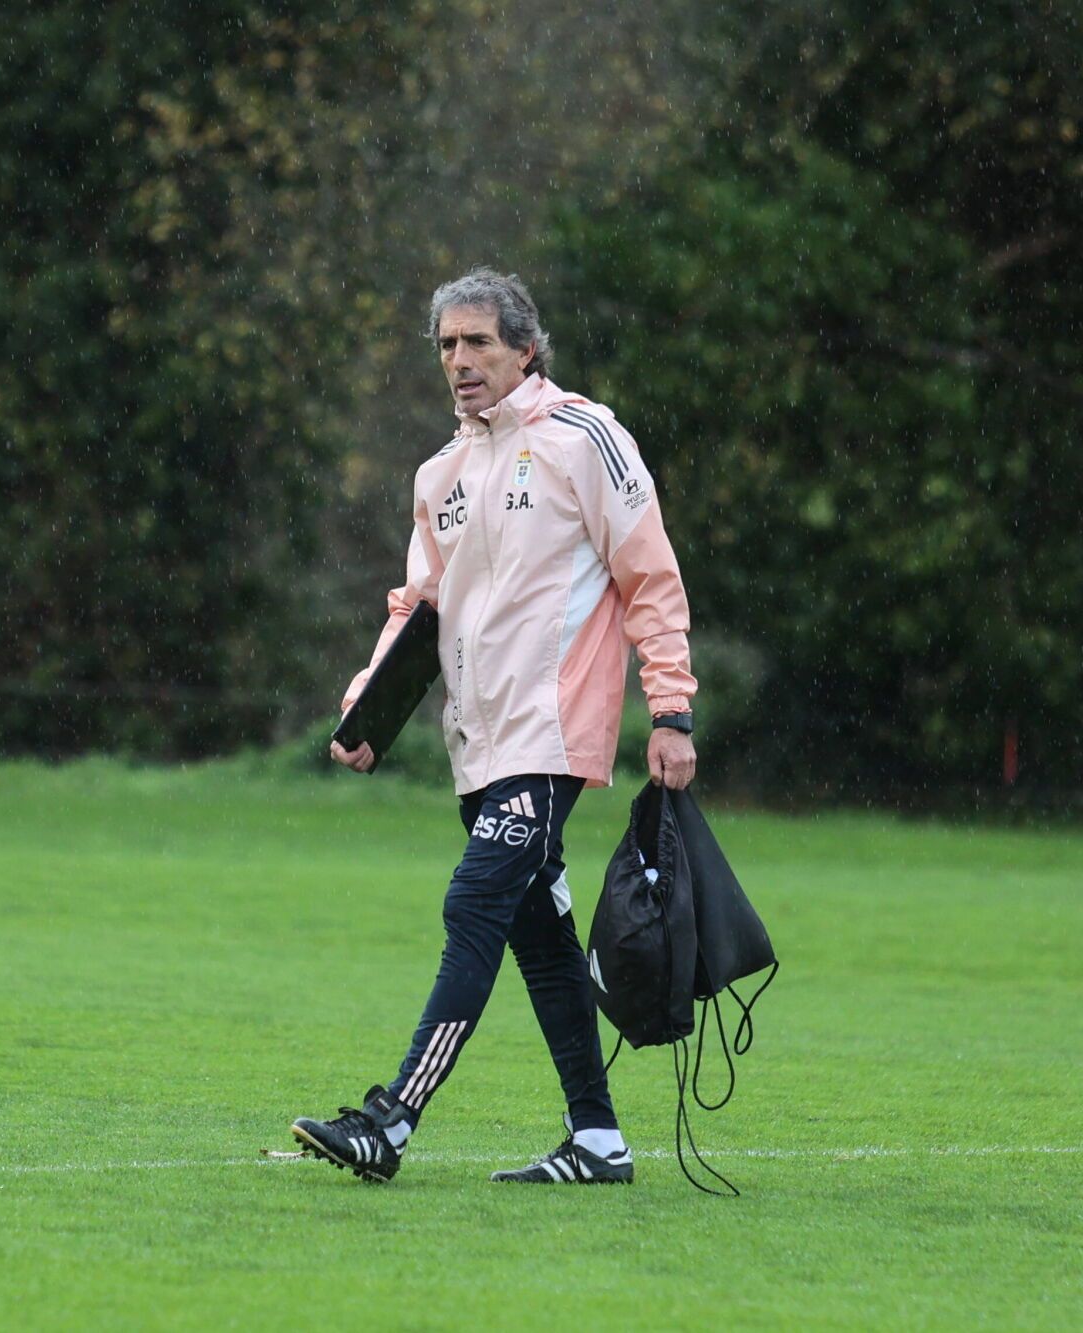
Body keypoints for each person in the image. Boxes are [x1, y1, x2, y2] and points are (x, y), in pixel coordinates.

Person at [289, 268, 697, 1185]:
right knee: (540, 940)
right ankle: (598, 1140)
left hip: (550, 737)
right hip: (476, 746)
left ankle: (392, 1121)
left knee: (472, 904)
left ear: (525, 348)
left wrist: (671, 709)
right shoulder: (442, 472)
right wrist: (368, 707)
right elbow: (417, 608)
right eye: (446, 344)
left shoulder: (585, 437)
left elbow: (651, 578)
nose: (459, 360)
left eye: (477, 341)